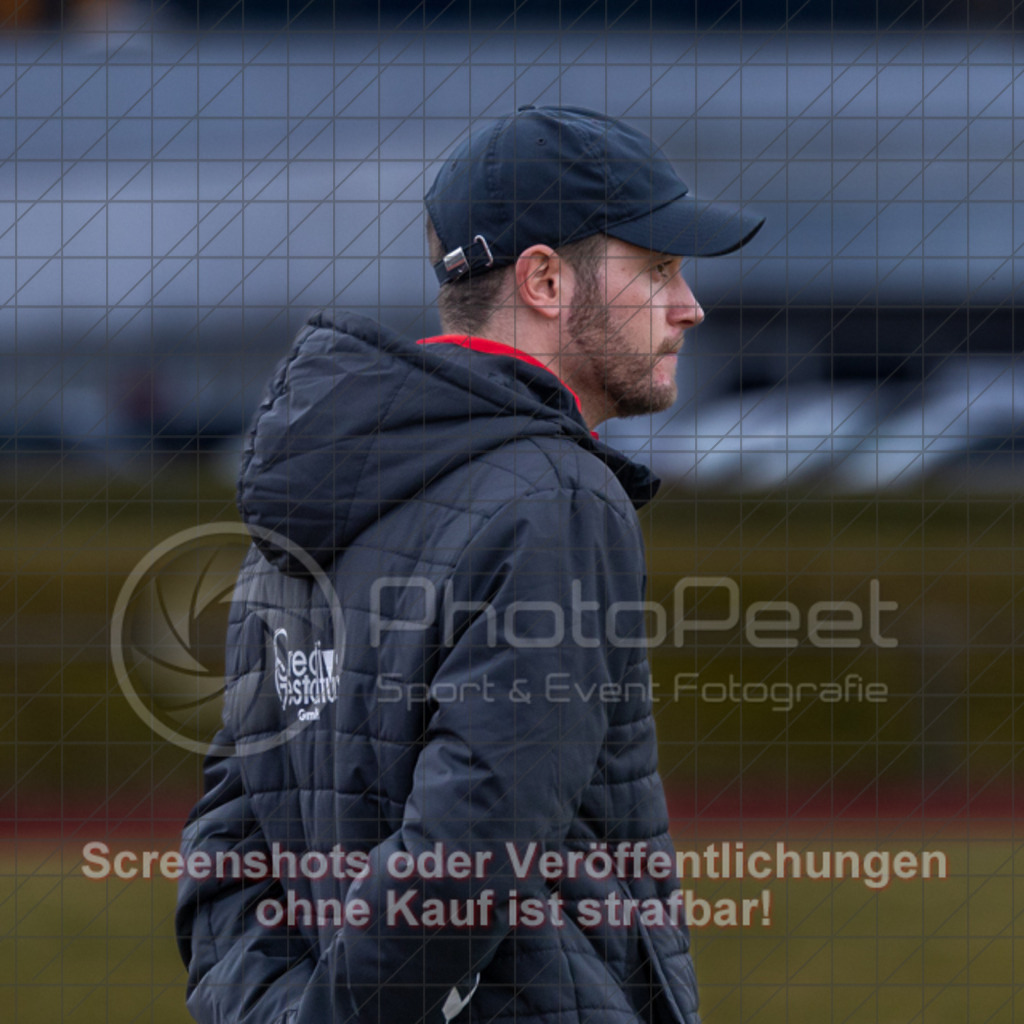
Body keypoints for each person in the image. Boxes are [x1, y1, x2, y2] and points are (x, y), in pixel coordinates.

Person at [175, 105, 763, 1024]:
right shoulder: (556, 490)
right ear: (544, 280)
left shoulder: (311, 487)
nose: (690, 304)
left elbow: (227, 842)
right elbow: (473, 840)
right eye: (656, 268)